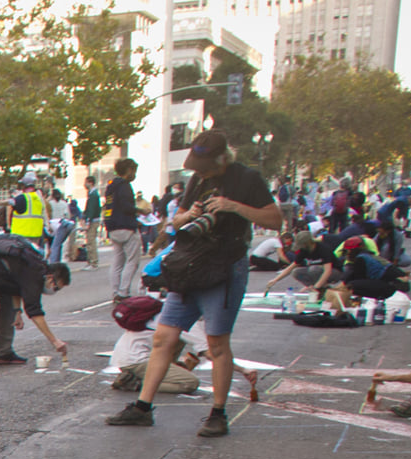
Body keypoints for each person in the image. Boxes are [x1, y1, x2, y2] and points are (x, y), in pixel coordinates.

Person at [106, 131, 282, 439]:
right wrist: (191, 214)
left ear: (222, 158)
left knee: (216, 344)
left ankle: (218, 413)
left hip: (224, 265)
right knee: (163, 338)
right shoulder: (197, 180)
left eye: (204, 167)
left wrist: (232, 207)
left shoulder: (247, 179)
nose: (198, 173)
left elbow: (275, 219)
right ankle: (143, 408)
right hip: (189, 265)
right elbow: (176, 222)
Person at [0, 231, 70, 371]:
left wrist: (17, 311)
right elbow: (35, 312)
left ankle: (3, 352)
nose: (53, 291)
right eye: (56, 288)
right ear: (50, 278)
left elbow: (16, 285)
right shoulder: (35, 276)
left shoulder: (37, 268)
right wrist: (54, 341)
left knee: (8, 309)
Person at [105, 158, 143, 302]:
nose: (134, 174)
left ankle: (115, 291)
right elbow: (127, 207)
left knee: (117, 261)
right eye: (134, 171)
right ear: (129, 170)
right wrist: (141, 211)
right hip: (127, 226)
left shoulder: (111, 187)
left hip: (113, 227)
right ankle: (124, 291)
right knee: (132, 260)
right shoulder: (125, 186)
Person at [83, 178, 105, 269]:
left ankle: (93, 262)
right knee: (90, 242)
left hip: (93, 221)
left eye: (86, 182)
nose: (84, 184)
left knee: (91, 242)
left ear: (90, 183)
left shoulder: (93, 195)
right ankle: (90, 261)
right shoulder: (93, 194)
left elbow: (91, 209)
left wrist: (88, 221)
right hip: (94, 220)